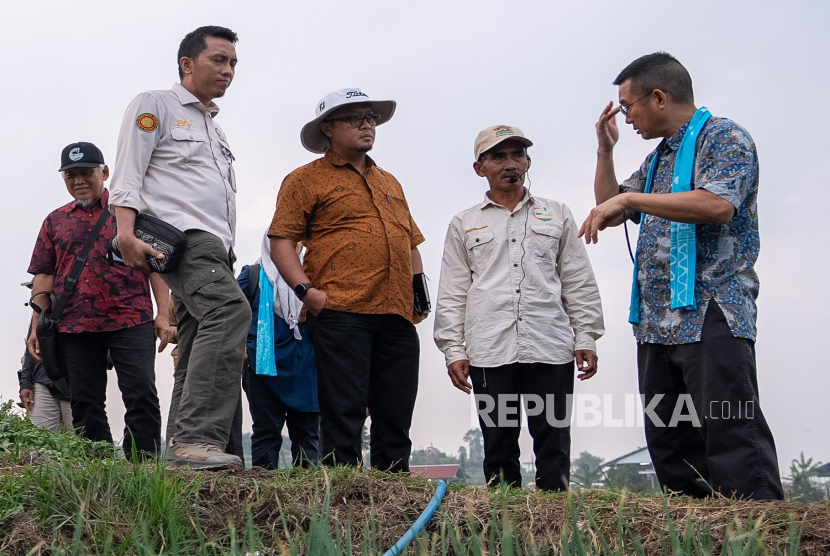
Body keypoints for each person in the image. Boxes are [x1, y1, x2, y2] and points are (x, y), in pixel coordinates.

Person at [579, 52, 784, 500]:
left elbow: (716, 204)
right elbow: (610, 206)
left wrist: (632, 203)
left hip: (712, 312)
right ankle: (692, 535)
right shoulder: (659, 159)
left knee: (730, 432)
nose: (626, 116)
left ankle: (760, 534)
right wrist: (605, 151)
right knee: (671, 443)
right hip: (657, 321)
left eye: (628, 105)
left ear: (658, 97)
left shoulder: (724, 138)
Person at [109, 25, 251, 469]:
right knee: (230, 313)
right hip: (185, 239)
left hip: (217, 247)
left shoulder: (216, 128)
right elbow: (128, 172)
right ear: (187, 64)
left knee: (193, 339)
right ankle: (196, 439)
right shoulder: (156, 106)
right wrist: (125, 232)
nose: (227, 70)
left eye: (232, 63)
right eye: (218, 60)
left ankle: (181, 452)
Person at [433, 125, 604, 491]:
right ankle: (503, 527)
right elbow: (453, 290)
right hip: (489, 350)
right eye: (498, 156)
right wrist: (453, 350)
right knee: (498, 445)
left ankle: (555, 523)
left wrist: (586, 336)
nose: (510, 163)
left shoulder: (556, 214)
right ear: (480, 167)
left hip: (550, 346)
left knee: (553, 443)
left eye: (518, 155)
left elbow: (577, 279)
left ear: (528, 162)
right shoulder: (464, 222)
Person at [269, 88, 425, 472]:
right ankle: (341, 486)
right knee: (344, 408)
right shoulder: (306, 179)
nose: (366, 125)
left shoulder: (390, 182)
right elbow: (282, 240)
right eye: (354, 119)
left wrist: (418, 297)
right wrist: (308, 293)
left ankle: (394, 485)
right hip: (340, 309)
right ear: (327, 128)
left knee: (396, 406)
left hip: (396, 311)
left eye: (370, 118)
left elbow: (411, 243)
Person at [27, 142, 167, 456]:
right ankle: (100, 466)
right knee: (85, 399)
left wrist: (164, 313)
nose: (78, 180)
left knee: (141, 392)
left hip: (131, 318)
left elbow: (157, 265)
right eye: (71, 175)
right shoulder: (55, 221)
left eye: (86, 172)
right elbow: (44, 275)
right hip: (75, 325)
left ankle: (143, 465)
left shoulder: (131, 214)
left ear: (104, 172)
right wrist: (37, 325)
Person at [237, 235, 320, 469]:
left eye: (295, 240)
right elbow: (229, 314)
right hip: (262, 366)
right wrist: (241, 347)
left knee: (308, 437)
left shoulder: (314, 277)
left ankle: (309, 495)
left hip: (306, 368)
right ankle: (263, 494)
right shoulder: (252, 275)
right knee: (265, 433)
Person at [165, 294, 244, 461]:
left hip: (224, 367)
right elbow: (167, 328)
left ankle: (230, 461)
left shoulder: (230, 293)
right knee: (182, 410)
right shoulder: (182, 292)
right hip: (190, 364)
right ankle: (178, 452)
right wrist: (208, 332)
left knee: (229, 419)